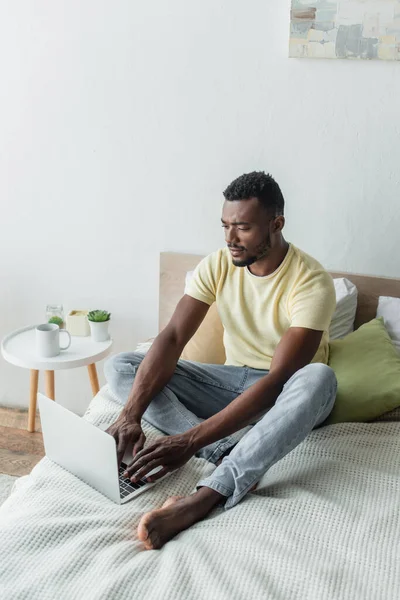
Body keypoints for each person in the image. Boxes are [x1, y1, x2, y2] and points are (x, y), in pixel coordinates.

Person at [104, 171, 337, 550]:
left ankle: (207, 495)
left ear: (275, 224)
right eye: (226, 225)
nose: (230, 238)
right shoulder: (218, 264)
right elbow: (174, 337)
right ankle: (221, 451)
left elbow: (278, 381)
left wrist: (187, 439)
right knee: (122, 366)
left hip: (288, 396)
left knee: (321, 377)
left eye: (243, 227)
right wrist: (130, 414)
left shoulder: (311, 281)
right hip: (230, 384)